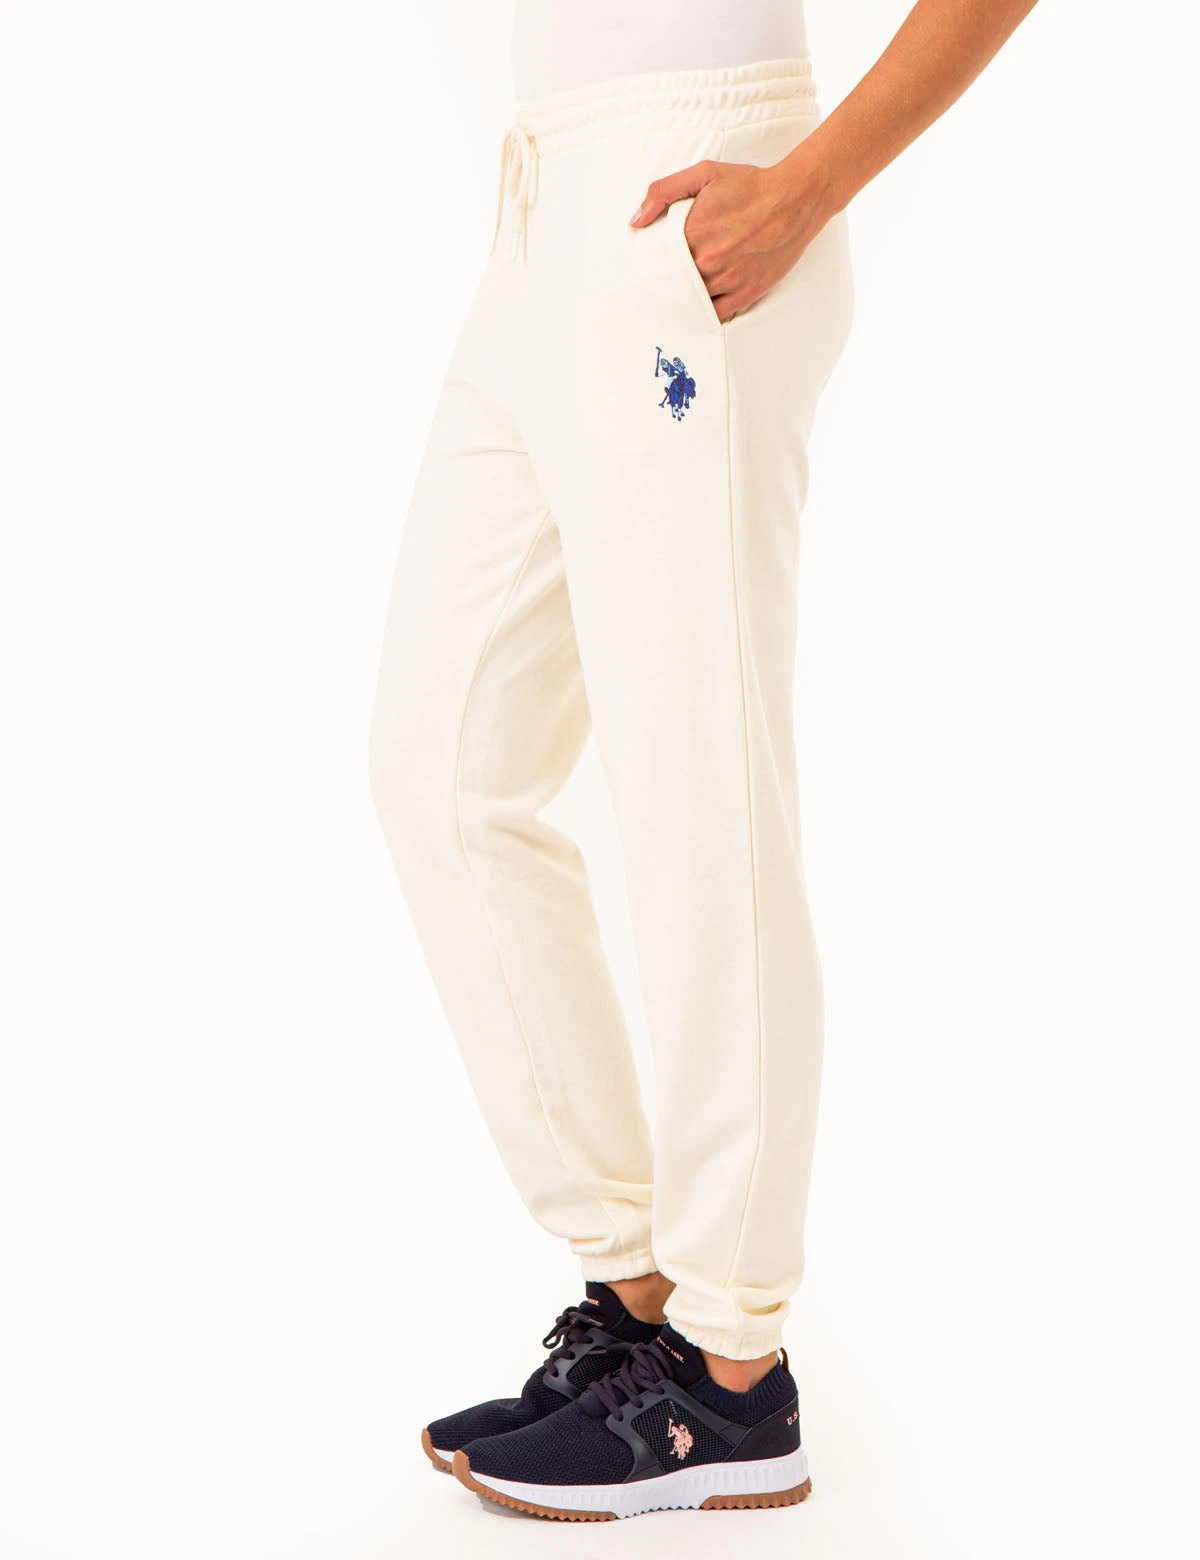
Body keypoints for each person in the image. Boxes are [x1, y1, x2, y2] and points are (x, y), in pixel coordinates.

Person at [370, 0, 1037, 1523]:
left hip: (699, 196)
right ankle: (641, 1291)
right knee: (442, 765)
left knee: (700, 800)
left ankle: (734, 1371)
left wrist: (808, 183)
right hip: (544, 212)